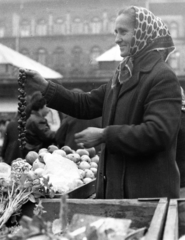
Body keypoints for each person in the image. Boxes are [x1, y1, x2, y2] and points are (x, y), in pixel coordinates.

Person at [22, 6, 181, 199]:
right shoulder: (122, 75)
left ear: (142, 34)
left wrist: (106, 135)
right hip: (118, 193)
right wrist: (45, 87)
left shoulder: (162, 76)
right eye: (116, 32)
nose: (117, 39)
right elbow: (85, 104)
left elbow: (159, 133)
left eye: (123, 32)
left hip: (147, 195)